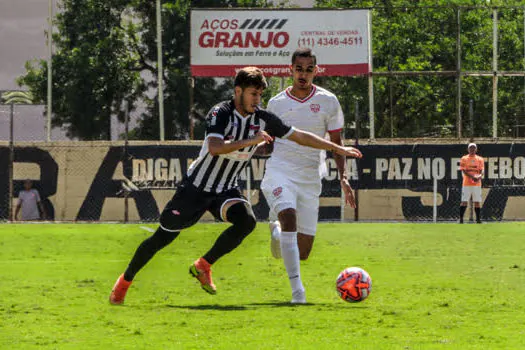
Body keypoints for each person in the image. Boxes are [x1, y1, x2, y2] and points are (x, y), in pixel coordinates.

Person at [109, 66, 362, 305]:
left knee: (247, 222)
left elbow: (299, 136)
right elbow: (215, 148)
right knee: (162, 239)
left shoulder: (262, 118)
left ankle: (203, 265)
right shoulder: (220, 113)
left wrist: (336, 147)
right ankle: (125, 281)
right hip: (196, 188)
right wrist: (251, 141)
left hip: (226, 189)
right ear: (238, 91)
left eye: (260, 94)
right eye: (253, 94)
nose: (257, 100)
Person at [260, 48, 359, 304]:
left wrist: (343, 177)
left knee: (302, 252)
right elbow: (269, 143)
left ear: (316, 71)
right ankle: (298, 293)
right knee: (289, 216)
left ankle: (277, 234)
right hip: (281, 170)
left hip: (310, 176)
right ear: (290, 69)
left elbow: (336, 142)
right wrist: (252, 147)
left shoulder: (329, 101)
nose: (303, 74)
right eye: (298, 68)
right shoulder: (276, 103)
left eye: (308, 69)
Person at [459, 143, 484, 224]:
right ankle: (461, 219)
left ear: (476, 149)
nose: (472, 149)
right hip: (466, 183)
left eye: (473, 148)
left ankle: (478, 220)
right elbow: (463, 170)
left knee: (477, 202)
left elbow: (482, 170)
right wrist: (472, 177)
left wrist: (479, 176)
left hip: (477, 184)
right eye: (470, 148)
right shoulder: (464, 158)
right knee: (464, 201)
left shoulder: (480, 159)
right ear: (468, 149)